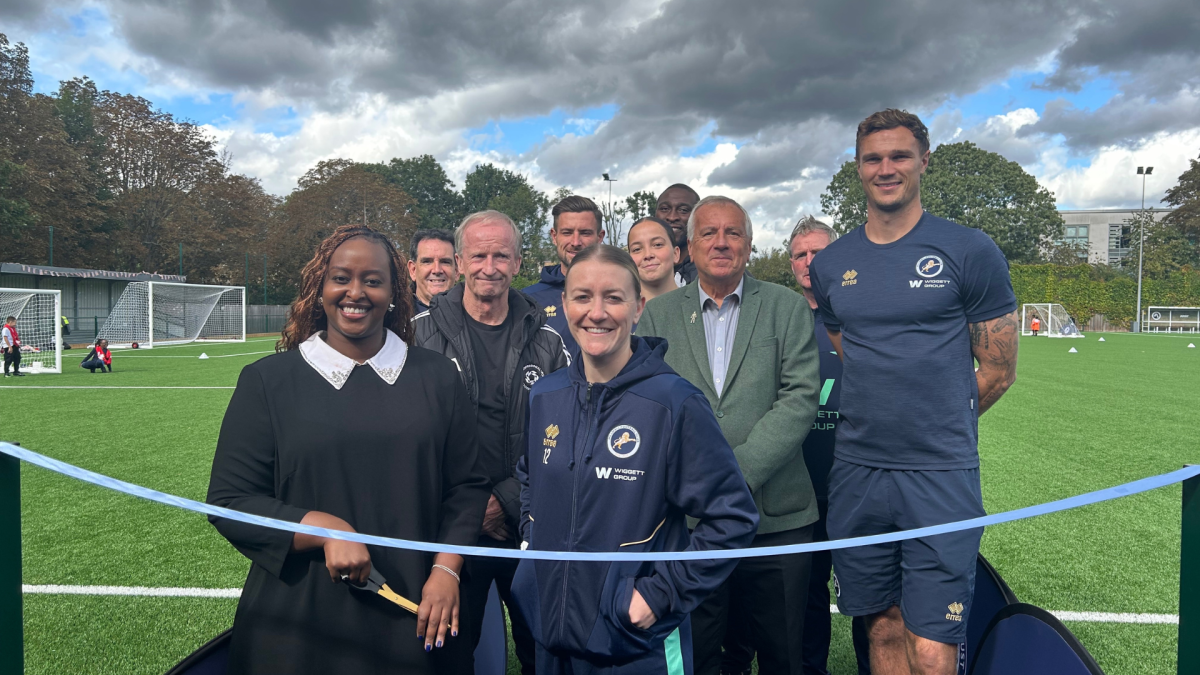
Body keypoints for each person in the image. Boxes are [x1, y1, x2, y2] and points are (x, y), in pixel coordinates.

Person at [206, 224, 491, 674]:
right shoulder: (268, 381)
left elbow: (468, 487)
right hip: (299, 629)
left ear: (393, 292)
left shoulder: (437, 376)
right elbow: (229, 502)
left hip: (417, 613)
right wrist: (324, 528)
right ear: (319, 288)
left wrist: (447, 571)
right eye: (341, 278)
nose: (355, 292)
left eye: (372, 281)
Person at [809, 109, 1019, 675]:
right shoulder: (833, 264)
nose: (886, 168)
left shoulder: (969, 249)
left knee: (931, 645)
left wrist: (935, 421)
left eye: (899, 155)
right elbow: (848, 346)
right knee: (881, 626)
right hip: (858, 472)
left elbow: (999, 370)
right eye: (873, 158)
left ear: (924, 161)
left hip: (939, 473)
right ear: (858, 168)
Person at [512, 244, 760, 675]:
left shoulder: (674, 402)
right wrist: (533, 546)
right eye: (583, 297)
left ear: (638, 306)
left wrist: (659, 595)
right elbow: (530, 478)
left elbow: (733, 518)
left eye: (613, 297)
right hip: (552, 637)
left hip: (636, 645)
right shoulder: (545, 395)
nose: (597, 312)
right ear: (565, 304)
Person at [637, 196, 822, 675]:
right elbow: (651, 403)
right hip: (691, 522)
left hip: (778, 519)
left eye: (733, 233)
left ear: (749, 245)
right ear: (689, 246)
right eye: (709, 233)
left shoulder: (786, 307)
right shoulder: (658, 315)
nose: (721, 243)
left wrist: (732, 476)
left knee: (784, 655)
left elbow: (800, 397)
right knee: (699, 653)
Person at [412, 209, 571, 674]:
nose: (489, 266)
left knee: (545, 653)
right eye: (478, 256)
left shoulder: (549, 342)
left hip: (526, 526)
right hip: (448, 535)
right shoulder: (416, 336)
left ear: (517, 262)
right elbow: (405, 438)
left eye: (501, 255)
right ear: (460, 262)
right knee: (448, 656)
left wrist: (506, 499)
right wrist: (467, 512)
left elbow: (564, 435)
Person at [524, 195, 606, 360]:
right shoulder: (527, 300)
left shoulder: (621, 295)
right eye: (567, 232)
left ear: (600, 237)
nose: (575, 242)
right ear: (554, 236)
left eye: (585, 233)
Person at [627, 216, 682, 301]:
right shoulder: (620, 308)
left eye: (657, 245)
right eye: (637, 249)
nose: (648, 255)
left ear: (675, 254)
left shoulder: (698, 303)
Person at [654, 184, 701, 285]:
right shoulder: (641, 270)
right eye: (664, 209)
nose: (672, 217)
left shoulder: (706, 275)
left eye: (683, 210)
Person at [409, 229, 458, 314]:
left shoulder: (476, 316)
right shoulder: (392, 318)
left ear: (457, 271)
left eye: (445, 262)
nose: (437, 270)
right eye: (427, 262)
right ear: (413, 270)